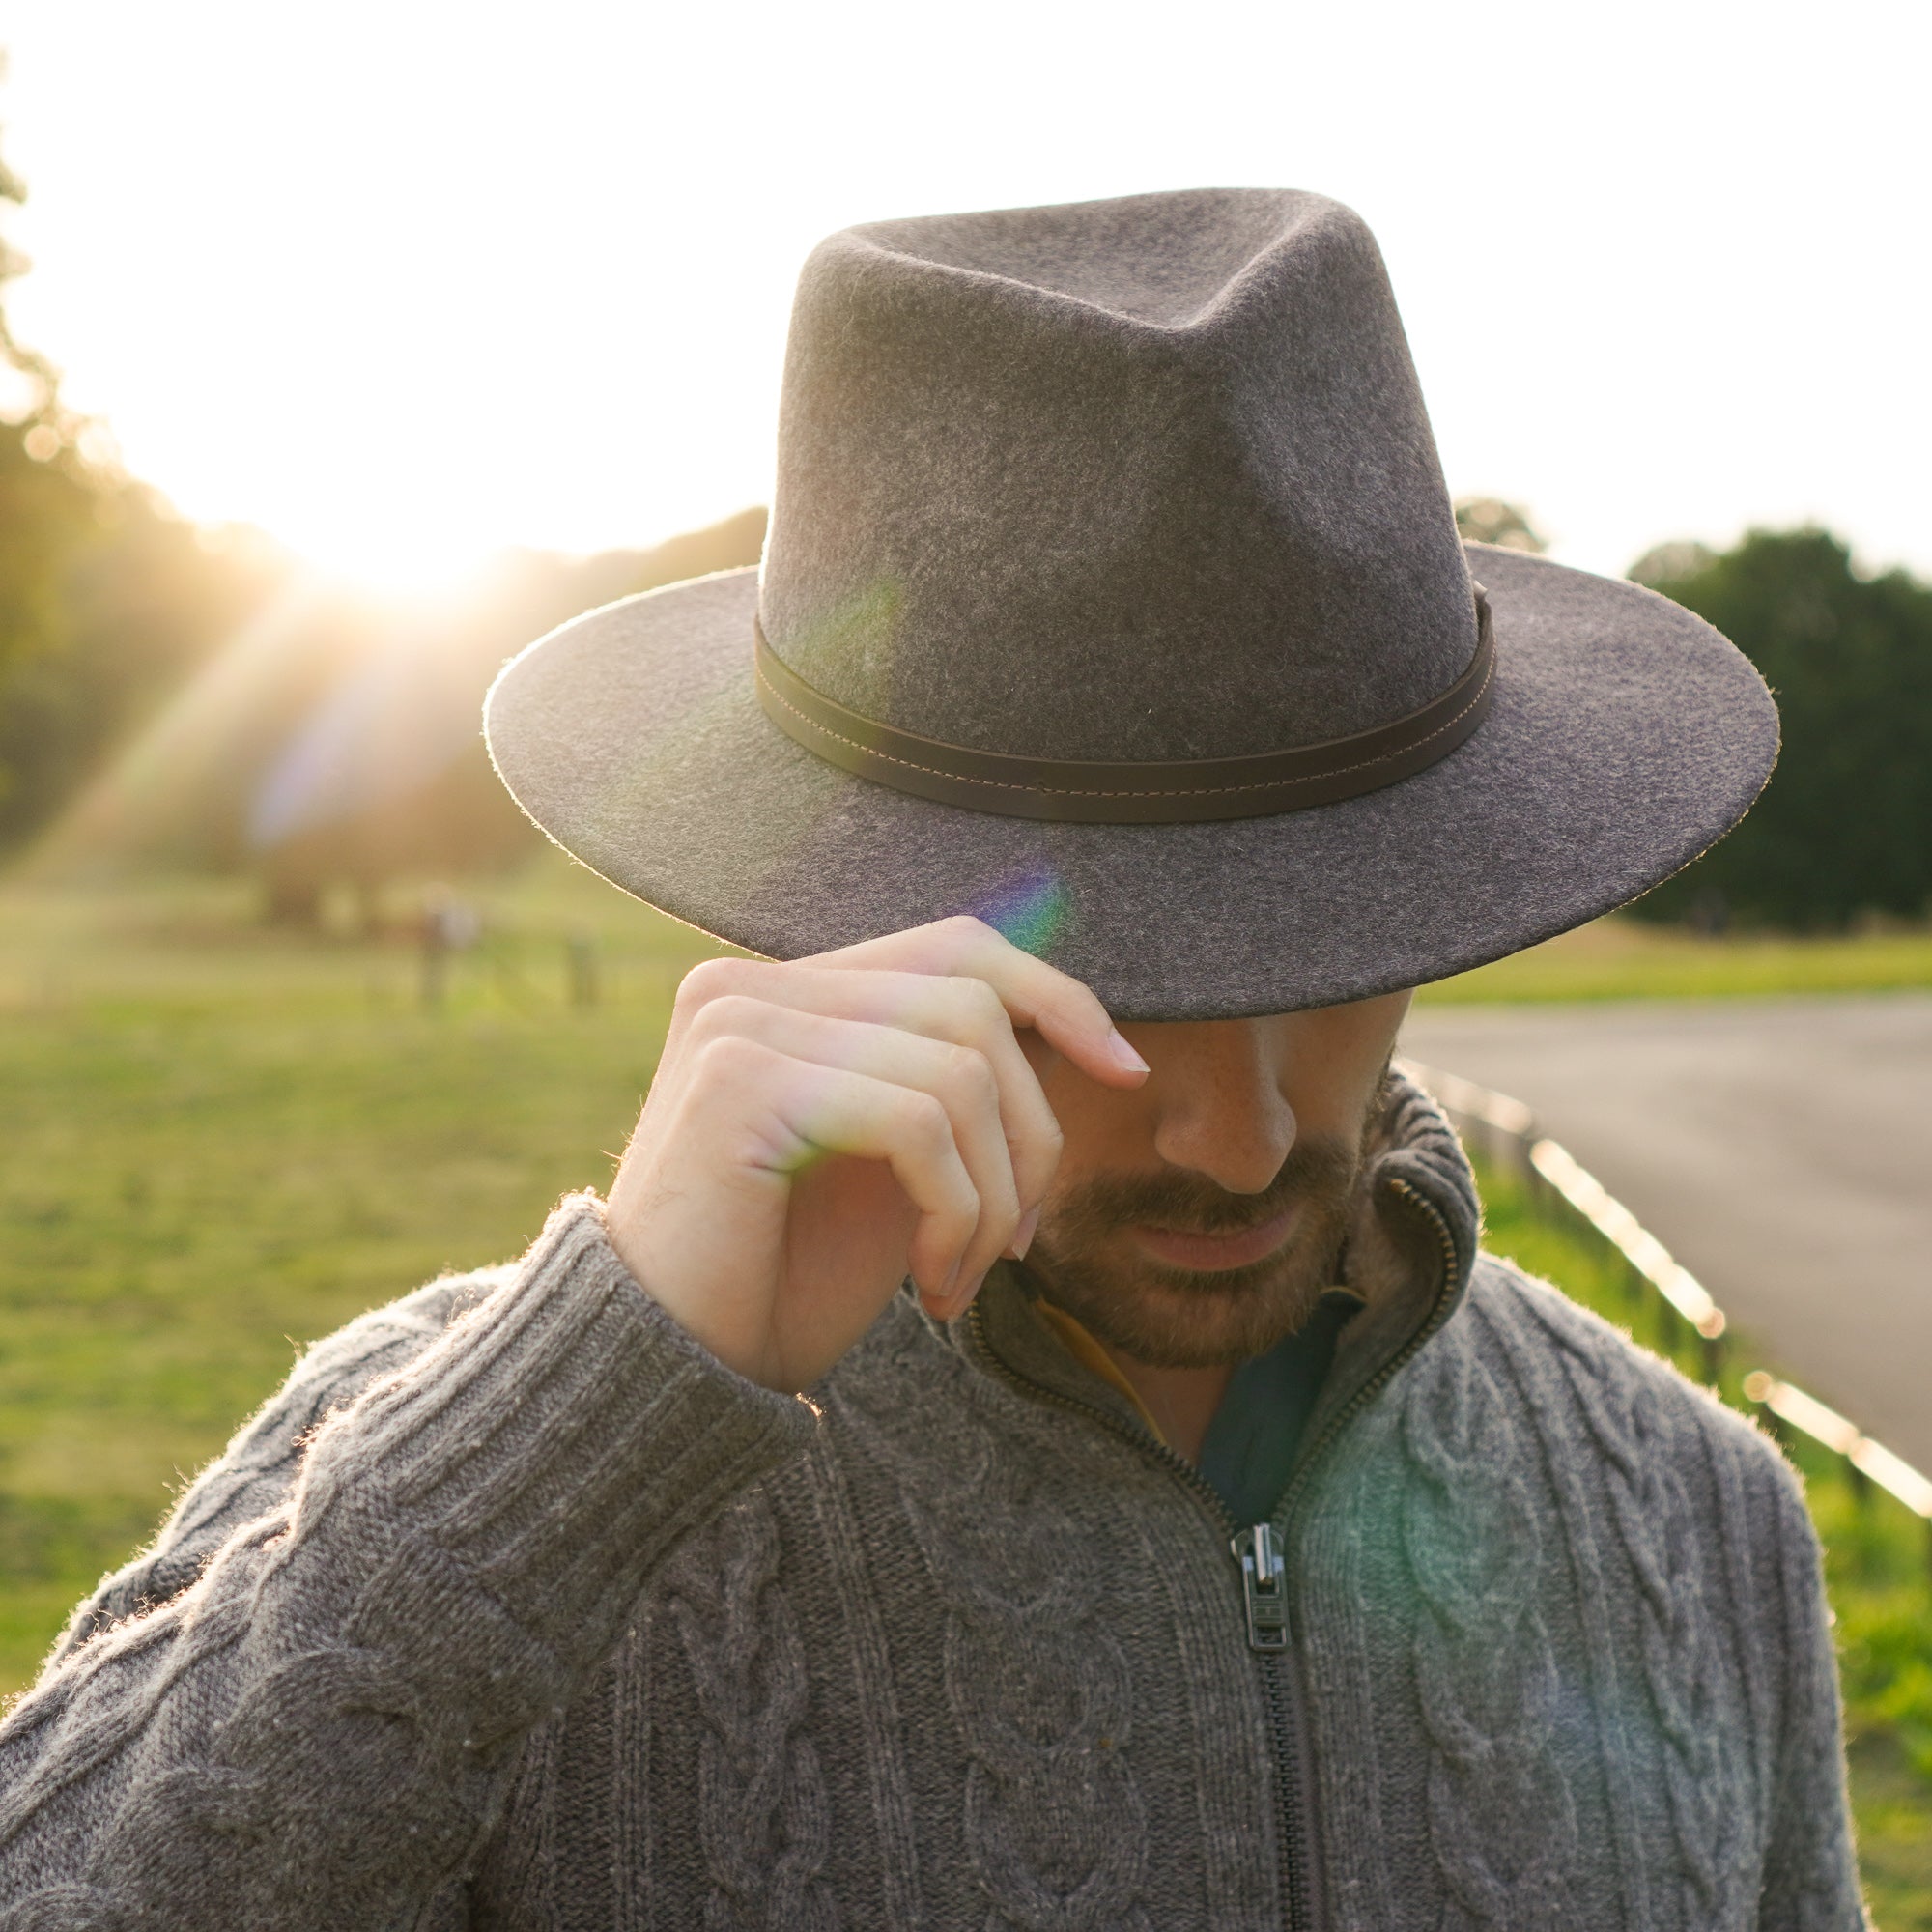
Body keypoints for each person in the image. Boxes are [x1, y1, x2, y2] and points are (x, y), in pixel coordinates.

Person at [0, 189, 1863, 1928]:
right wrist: (584, 1415)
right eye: (1105, 995)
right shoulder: (473, 1466)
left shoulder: (1697, 1515)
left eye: (1338, 956)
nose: (1234, 1139)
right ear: (831, 910)